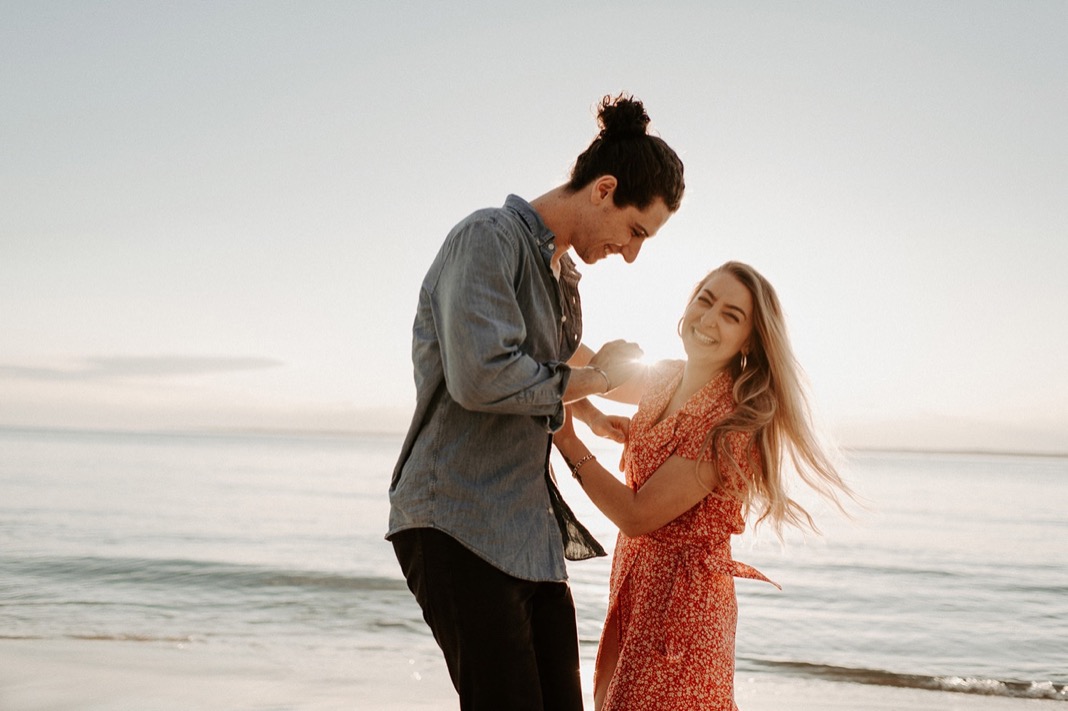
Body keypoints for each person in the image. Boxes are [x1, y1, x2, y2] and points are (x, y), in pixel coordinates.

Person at [386, 93, 685, 711]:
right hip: (457, 519)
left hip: (530, 536)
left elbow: (550, 371)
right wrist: (597, 379)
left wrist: (590, 409)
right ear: (604, 189)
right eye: (635, 232)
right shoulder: (487, 239)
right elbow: (486, 377)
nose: (632, 254)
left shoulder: (562, 278)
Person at [552, 261, 854, 711]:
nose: (709, 319)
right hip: (637, 589)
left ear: (749, 339)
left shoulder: (731, 423)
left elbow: (636, 515)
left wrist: (565, 438)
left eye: (731, 315)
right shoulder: (666, 377)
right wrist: (592, 414)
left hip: (683, 612)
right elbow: (585, 365)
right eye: (705, 300)